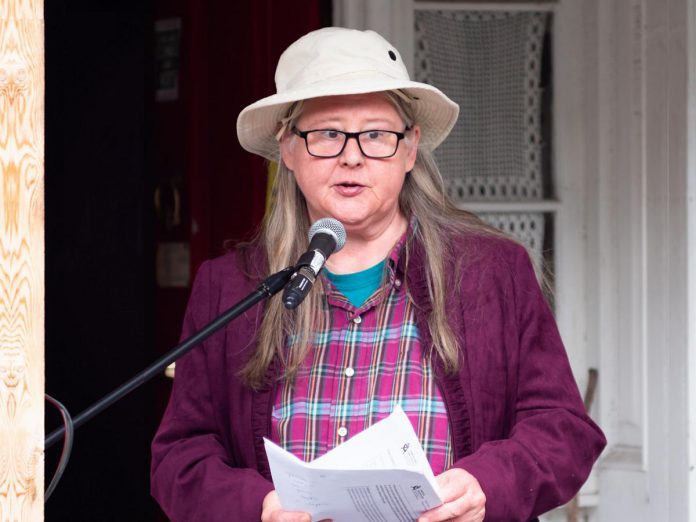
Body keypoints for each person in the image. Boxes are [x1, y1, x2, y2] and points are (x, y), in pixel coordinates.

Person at [151, 27, 606, 522]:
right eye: (327, 133)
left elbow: (564, 430)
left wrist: (486, 486)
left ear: (410, 149)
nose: (352, 155)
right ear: (288, 148)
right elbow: (179, 457)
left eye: (375, 134)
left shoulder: (490, 273)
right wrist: (255, 508)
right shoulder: (232, 287)